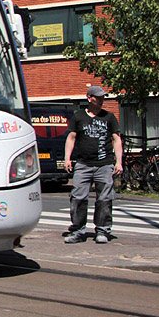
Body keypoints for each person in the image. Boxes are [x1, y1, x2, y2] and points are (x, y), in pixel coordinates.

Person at [63, 85, 123, 244]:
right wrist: (67, 158)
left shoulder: (109, 117)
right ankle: (77, 231)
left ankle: (103, 231)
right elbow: (71, 138)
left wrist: (119, 162)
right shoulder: (78, 116)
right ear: (89, 98)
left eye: (103, 97)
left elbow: (116, 139)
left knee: (104, 199)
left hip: (104, 164)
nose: (102, 100)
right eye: (98, 97)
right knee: (78, 197)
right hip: (83, 164)